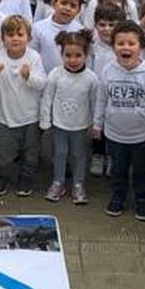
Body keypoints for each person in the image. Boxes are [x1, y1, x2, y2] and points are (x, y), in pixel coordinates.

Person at [93, 22, 145, 221]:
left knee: (142, 171)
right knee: (118, 169)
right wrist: (97, 124)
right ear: (113, 46)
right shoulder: (108, 70)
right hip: (114, 135)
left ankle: (142, 199)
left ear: (140, 47)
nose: (125, 47)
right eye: (120, 43)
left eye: (131, 43)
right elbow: (101, 98)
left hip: (141, 137)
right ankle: (118, 196)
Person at [40, 31, 101, 205]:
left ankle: (78, 183)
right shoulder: (55, 74)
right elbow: (47, 98)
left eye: (78, 55)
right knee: (59, 154)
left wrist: (96, 125)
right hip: (59, 125)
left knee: (79, 155)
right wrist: (45, 120)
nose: (73, 60)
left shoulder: (91, 78)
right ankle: (58, 182)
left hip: (81, 127)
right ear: (62, 54)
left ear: (86, 55)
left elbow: (95, 103)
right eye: (68, 55)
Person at [0, 15, 46, 197]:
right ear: (2, 38)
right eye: (10, 34)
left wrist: (29, 76)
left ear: (28, 37)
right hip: (6, 117)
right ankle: (1, 177)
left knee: (30, 154)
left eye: (20, 34)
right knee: (3, 153)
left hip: (30, 117)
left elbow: (42, 83)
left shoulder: (34, 57)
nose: (15, 38)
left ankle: (26, 179)